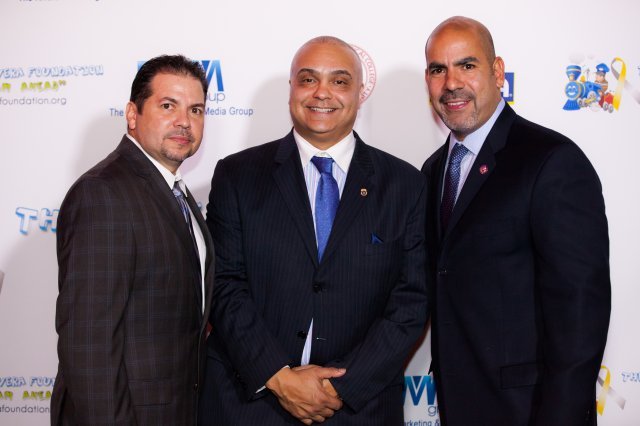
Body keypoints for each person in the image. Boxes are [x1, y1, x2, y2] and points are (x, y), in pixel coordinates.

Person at [199, 36, 428, 425]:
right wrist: (279, 378)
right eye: (308, 79)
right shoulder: (237, 175)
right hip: (250, 404)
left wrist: (340, 389)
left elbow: (411, 302)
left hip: (358, 409)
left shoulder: (405, 185)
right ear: (291, 88)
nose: (322, 92)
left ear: (359, 92)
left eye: (339, 81)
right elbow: (224, 285)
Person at [421, 16, 611, 426]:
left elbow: (581, 309)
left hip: (530, 411)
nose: (451, 83)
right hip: (458, 407)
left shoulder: (550, 160)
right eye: (438, 70)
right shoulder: (433, 170)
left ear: (497, 72)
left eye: (467, 65)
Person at [51, 55, 215, 425]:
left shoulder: (173, 191)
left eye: (196, 110)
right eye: (168, 105)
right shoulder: (104, 193)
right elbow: (89, 345)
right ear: (132, 114)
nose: (184, 121)